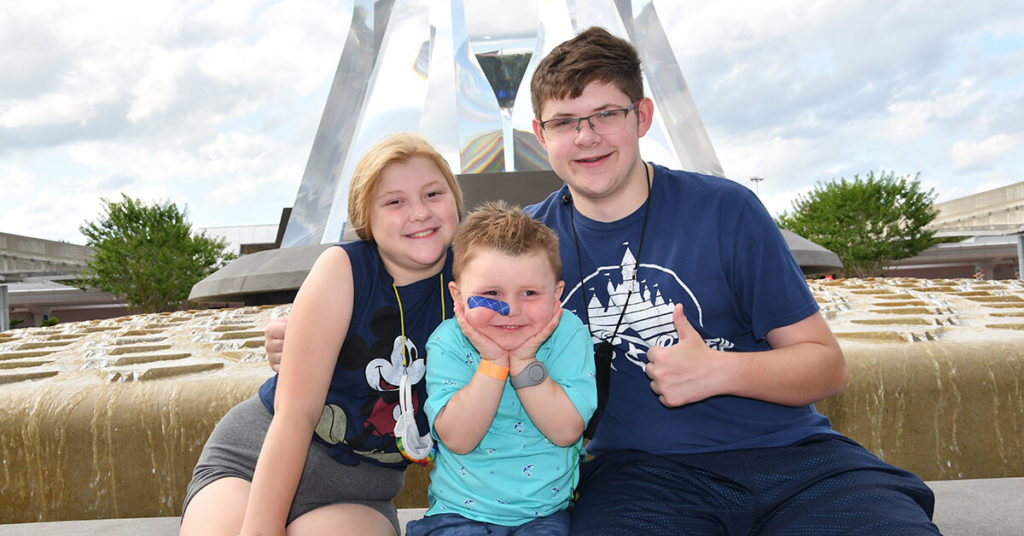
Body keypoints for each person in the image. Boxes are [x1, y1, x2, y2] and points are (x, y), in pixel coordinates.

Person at [267, 26, 940, 535]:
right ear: (539, 134)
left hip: (793, 461)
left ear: (642, 117)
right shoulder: (521, 243)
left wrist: (718, 373)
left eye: (605, 115)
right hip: (642, 480)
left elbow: (826, 367)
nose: (586, 137)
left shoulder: (726, 210)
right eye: (564, 122)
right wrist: (314, 332)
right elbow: (418, 268)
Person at [180, 132, 463, 536]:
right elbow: (297, 413)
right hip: (256, 461)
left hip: (357, 495)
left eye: (433, 194)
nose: (419, 213)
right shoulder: (343, 270)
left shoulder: (475, 279)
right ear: (367, 216)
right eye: (395, 201)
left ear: (455, 199)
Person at [405, 202, 596, 535]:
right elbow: (459, 439)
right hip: (457, 514)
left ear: (556, 296)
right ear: (459, 296)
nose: (510, 309)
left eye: (530, 293)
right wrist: (493, 363)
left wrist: (523, 361)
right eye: (491, 293)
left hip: (544, 516)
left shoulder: (569, 334)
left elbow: (566, 431)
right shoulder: (448, 342)